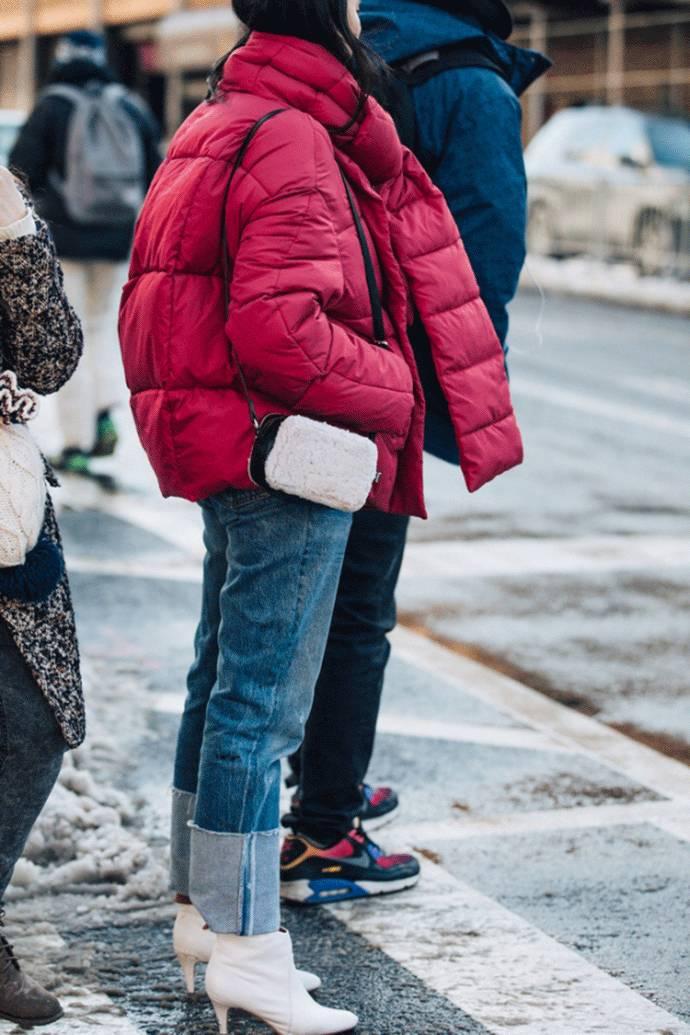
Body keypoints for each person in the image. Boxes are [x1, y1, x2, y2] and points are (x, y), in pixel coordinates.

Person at [119, 0, 522, 1030]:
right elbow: (280, 327)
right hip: (293, 453)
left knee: (226, 690)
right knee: (260, 709)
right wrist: (396, 387)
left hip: (232, 440)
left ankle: (205, 911)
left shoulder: (228, 110)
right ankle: (246, 942)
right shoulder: (296, 135)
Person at [281, 0, 550, 905]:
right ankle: (325, 828)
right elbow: (480, 254)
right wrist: (450, 384)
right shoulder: (471, 86)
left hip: (316, 356)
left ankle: (322, 777)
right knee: (359, 603)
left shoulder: (358, 57)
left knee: (312, 584)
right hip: (388, 373)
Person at [0, 166, 84, 1029]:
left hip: (4, 521)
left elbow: (52, 355)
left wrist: (13, 229)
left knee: (32, 727)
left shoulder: (2, 203)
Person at [10, 30, 161, 477]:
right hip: (118, 239)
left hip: (66, 241)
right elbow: (155, 172)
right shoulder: (130, 106)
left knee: (70, 333)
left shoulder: (52, 106)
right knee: (99, 330)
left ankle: (76, 441)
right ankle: (104, 414)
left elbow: (21, 170)